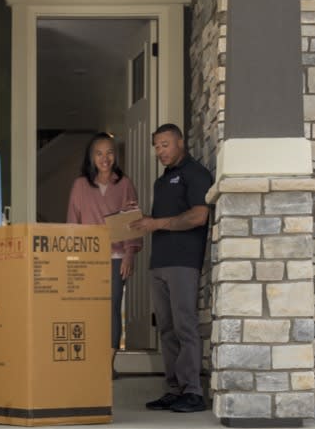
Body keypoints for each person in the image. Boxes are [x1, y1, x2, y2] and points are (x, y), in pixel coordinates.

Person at [129, 123, 214, 413]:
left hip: (183, 262)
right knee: (165, 329)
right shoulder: (162, 181)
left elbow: (198, 216)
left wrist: (156, 223)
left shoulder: (196, 174)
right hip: (159, 263)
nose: (159, 151)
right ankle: (174, 389)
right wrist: (145, 221)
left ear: (180, 143)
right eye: (156, 146)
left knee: (184, 326)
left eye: (164, 144)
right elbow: (165, 219)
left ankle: (193, 392)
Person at [65, 133, 140, 361]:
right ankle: (90, 362)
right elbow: (72, 222)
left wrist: (129, 254)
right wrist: (72, 258)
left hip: (117, 257)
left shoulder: (124, 184)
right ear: (91, 157)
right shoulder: (80, 185)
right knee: (88, 309)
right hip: (87, 258)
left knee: (112, 308)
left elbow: (132, 221)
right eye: (99, 153)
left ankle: (108, 364)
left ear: (115, 155)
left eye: (109, 152)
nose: (104, 158)